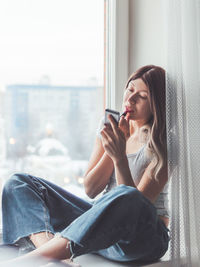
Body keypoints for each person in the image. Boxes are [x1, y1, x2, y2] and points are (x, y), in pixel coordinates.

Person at [1, 65, 170, 266]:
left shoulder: (163, 143)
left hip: (141, 240)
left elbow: (135, 210)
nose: (130, 99)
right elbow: (91, 190)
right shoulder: (111, 124)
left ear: (156, 105)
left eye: (142, 96)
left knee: (129, 197)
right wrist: (113, 147)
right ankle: (55, 256)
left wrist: (119, 157)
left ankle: (31, 260)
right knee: (18, 183)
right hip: (101, 232)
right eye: (130, 89)